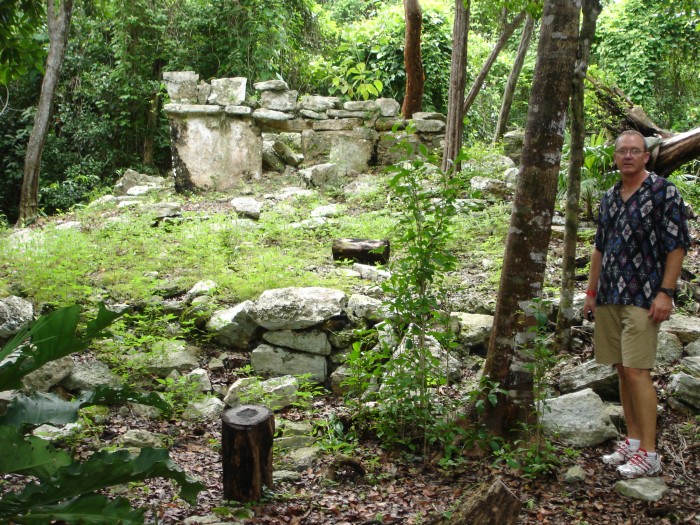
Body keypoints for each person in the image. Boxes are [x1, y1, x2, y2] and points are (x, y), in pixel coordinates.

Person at [583, 129, 690, 479]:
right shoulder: (610, 197)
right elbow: (600, 247)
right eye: (622, 151)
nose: (628, 156)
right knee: (620, 369)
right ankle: (632, 440)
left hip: (644, 296)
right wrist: (591, 292)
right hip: (610, 295)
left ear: (646, 156)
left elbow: (677, 246)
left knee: (638, 371)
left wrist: (666, 292)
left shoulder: (663, 192)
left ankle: (650, 452)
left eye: (635, 151)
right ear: (614, 158)